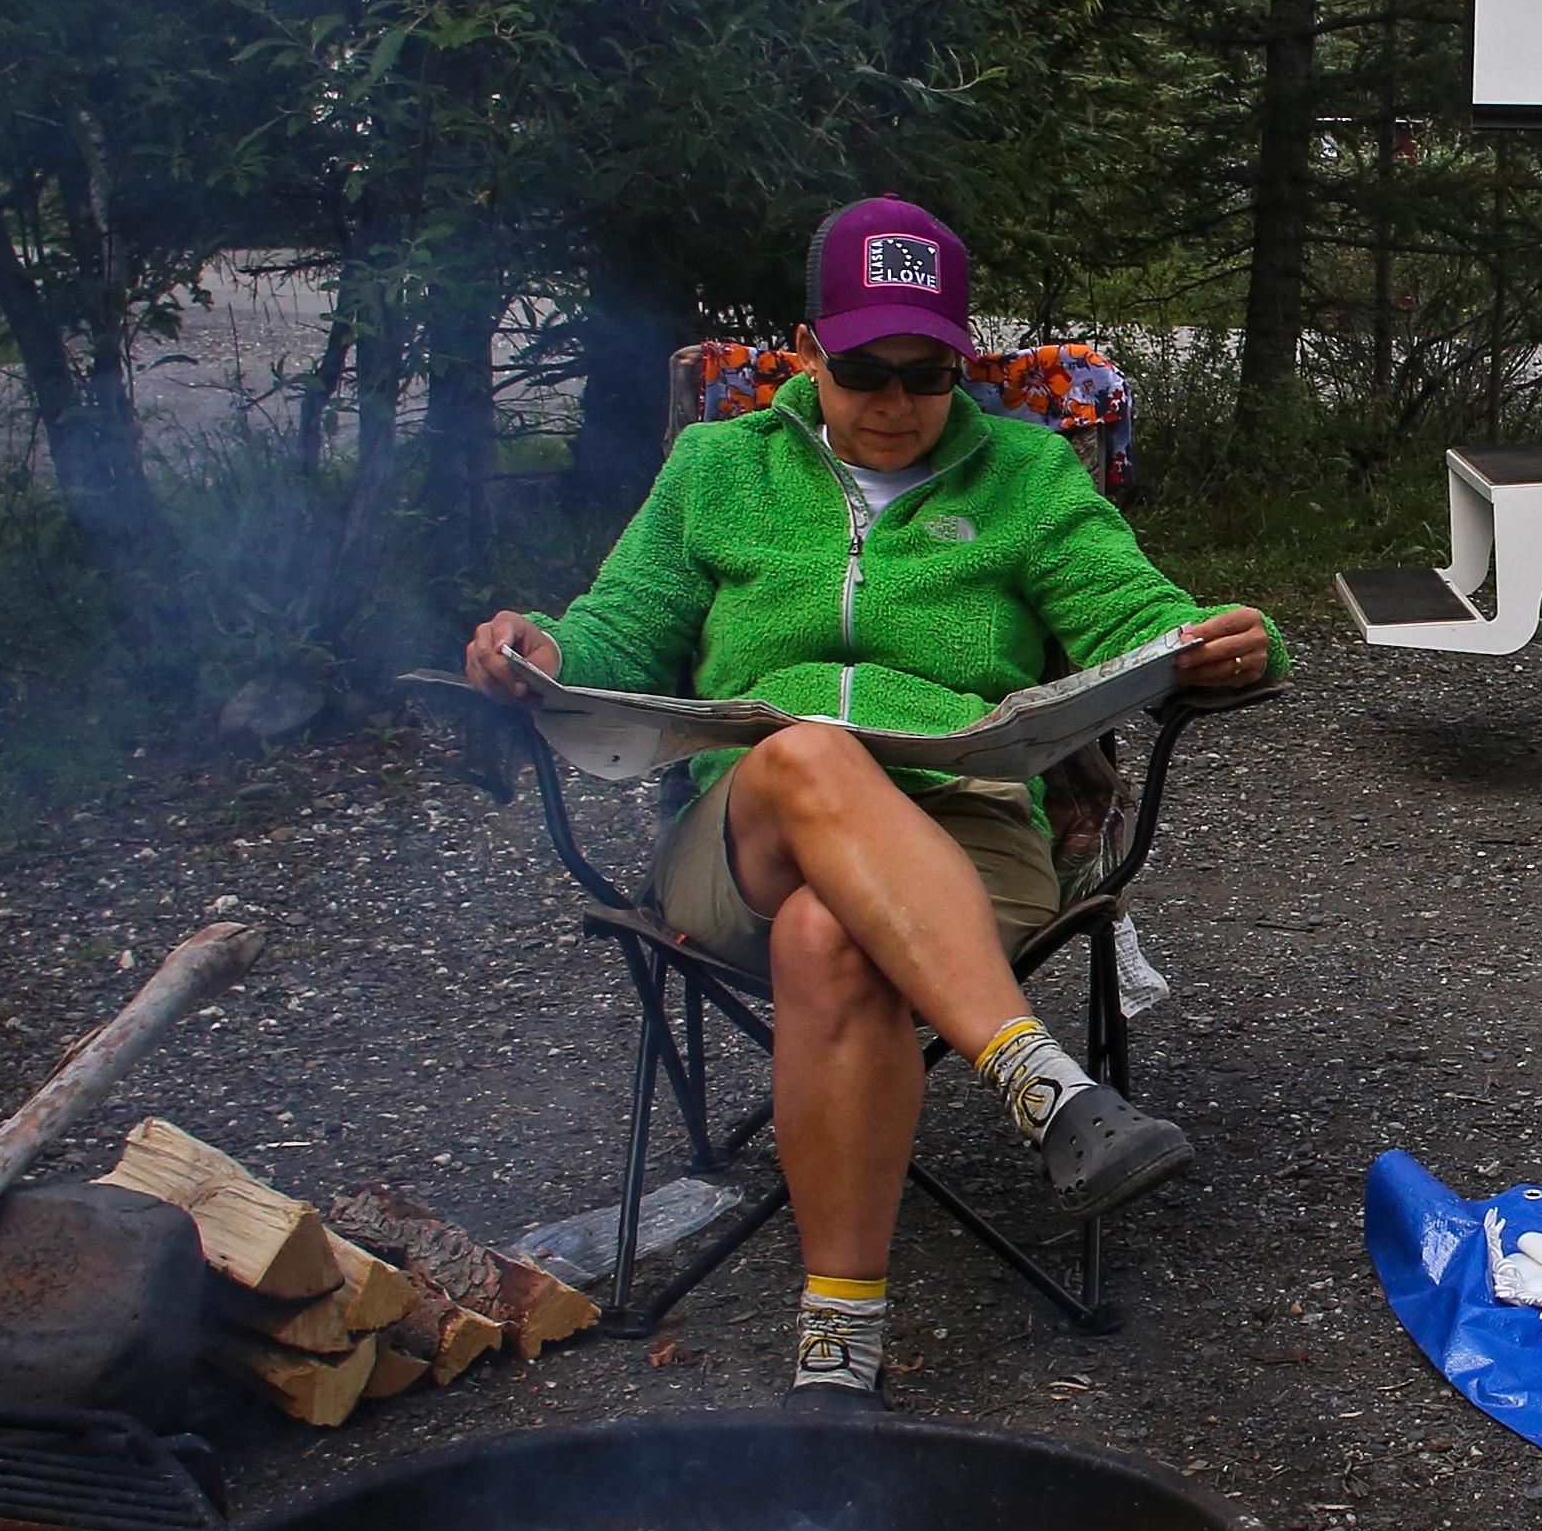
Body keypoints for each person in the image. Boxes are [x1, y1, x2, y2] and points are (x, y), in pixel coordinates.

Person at [466, 197, 1273, 1397]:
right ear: (806, 349)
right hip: (744, 828)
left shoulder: (1028, 474)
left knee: (828, 935)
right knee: (807, 752)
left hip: (967, 831)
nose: (893, 401)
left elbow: (1130, 617)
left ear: (963, 362)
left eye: (927, 371)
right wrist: (540, 648)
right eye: (862, 369)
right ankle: (1039, 1079)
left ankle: (838, 1336)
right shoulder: (717, 468)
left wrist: (1216, 644)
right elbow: (619, 633)